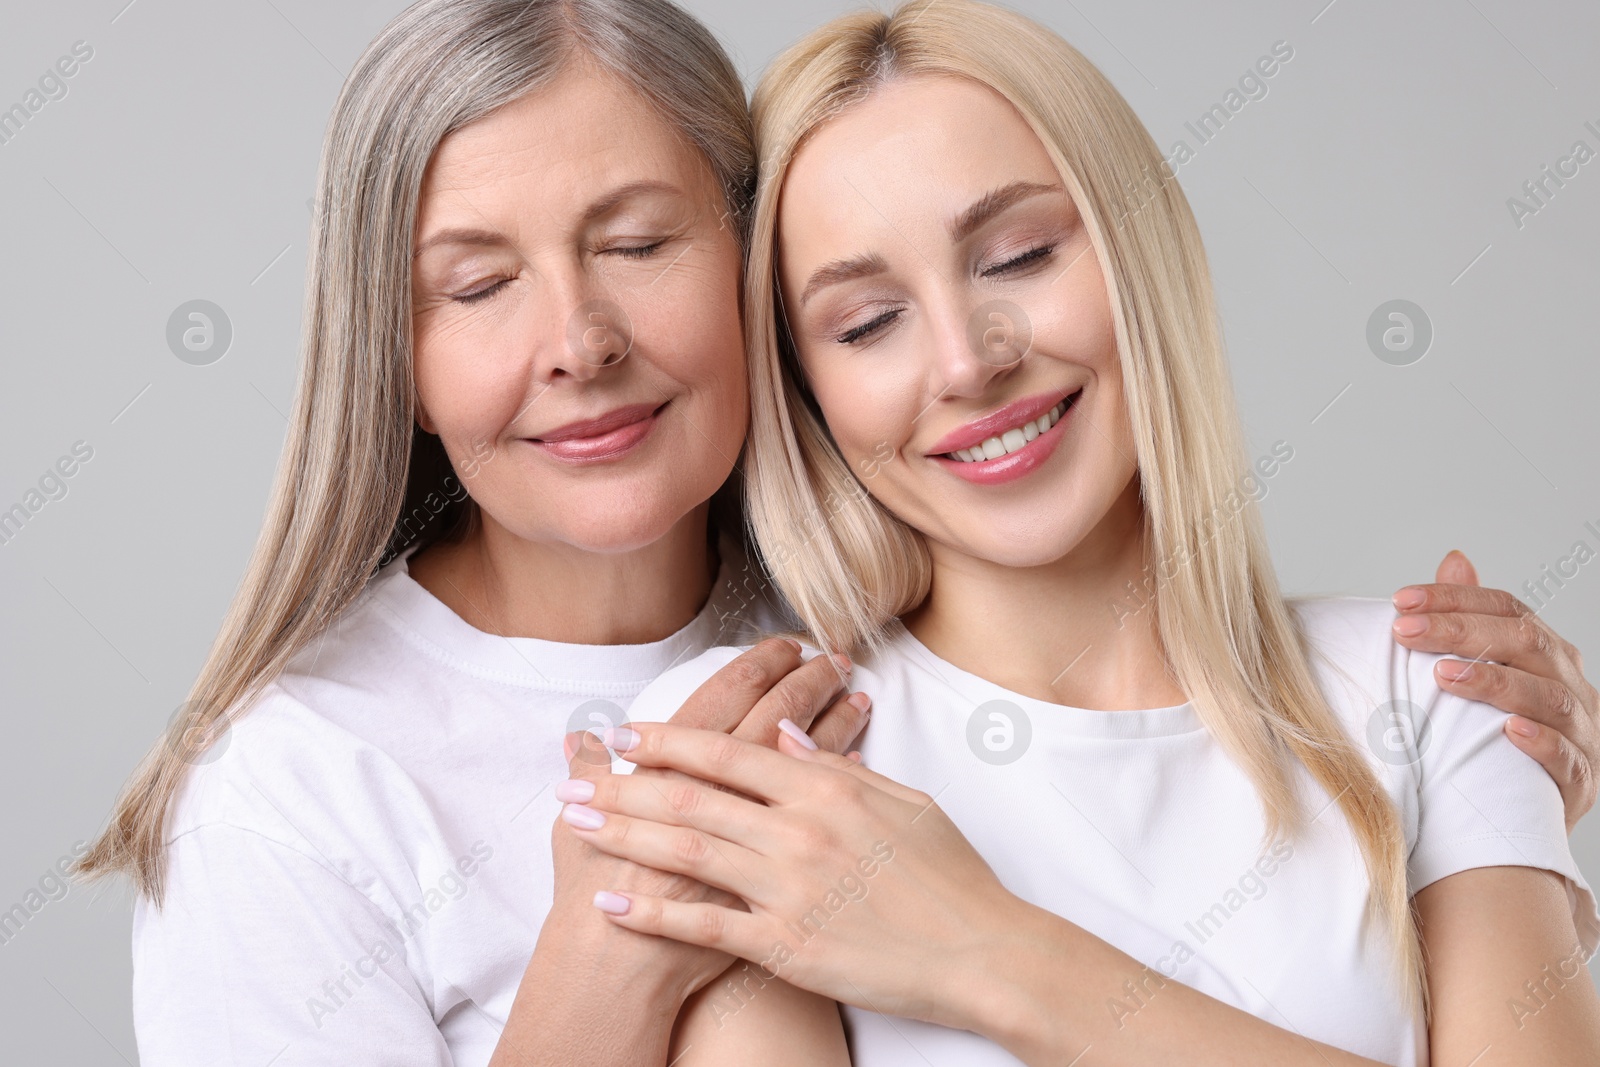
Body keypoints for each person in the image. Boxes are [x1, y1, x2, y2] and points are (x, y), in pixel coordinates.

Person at [70, 1, 1597, 1065]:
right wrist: (613, 951)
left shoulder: (822, 661)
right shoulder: (686, 760)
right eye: (475, 285)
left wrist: (1474, 760)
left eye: (641, 241)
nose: (579, 340)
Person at [556, 2, 1600, 1063]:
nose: (967, 362)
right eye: (867, 322)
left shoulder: (1432, 689)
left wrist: (995, 956)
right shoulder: (763, 753)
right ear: (809, 391)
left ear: (1134, 245)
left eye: (1015, 256)